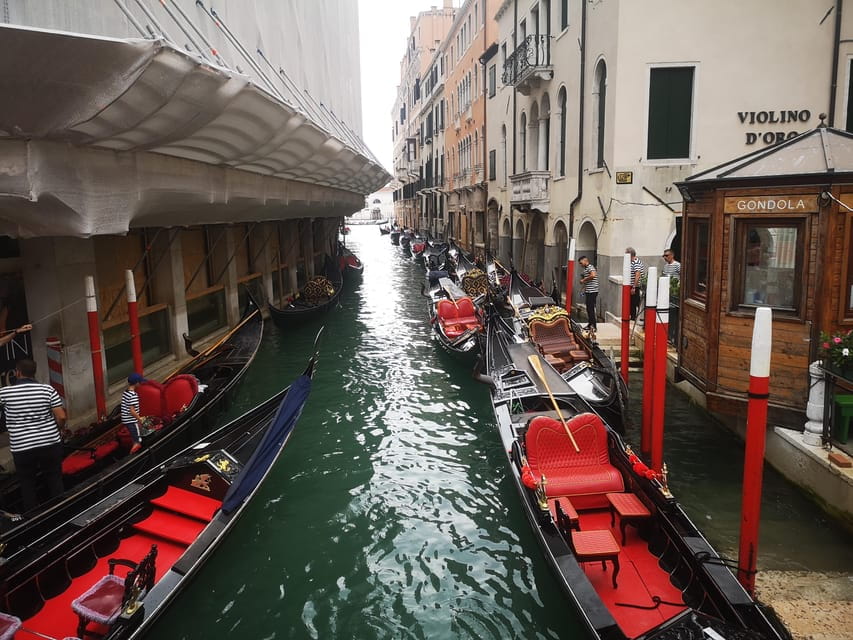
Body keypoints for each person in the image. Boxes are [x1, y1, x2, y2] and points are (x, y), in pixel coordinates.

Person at [0, 358, 66, 511]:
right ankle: (61, 510)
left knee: (27, 483)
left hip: (22, 447)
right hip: (49, 442)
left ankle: (33, 515)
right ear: (34, 373)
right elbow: (61, 417)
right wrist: (57, 429)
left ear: (17, 373)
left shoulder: (4, 393)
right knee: (54, 478)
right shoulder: (47, 390)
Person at [122, 373, 145, 454]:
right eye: (140, 382)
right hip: (131, 420)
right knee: (137, 440)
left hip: (126, 419)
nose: (141, 384)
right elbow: (132, 411)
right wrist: (140, 419)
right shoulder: (133, 395)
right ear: (137, 383)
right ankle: (135, 452)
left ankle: (135, 445)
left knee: (134, 435)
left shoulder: (126, 392)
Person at [662, 249, 681, 344]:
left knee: (673, 313)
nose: (665, 257)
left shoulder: (678, 265)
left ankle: (672, 337)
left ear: (672, 255)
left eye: (666, 255)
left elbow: (682, 276)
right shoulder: (665, 266)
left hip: (674, 292)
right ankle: (668, 335)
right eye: (664, 256)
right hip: (667, 292)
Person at [578, 255, 599, 331]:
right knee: (589, 308)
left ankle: (593, 326)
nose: (580, 265)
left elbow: (593, 275)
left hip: (592, 291)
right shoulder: (586, 268)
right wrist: (584, 289)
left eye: (581, 263)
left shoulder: (590, 267)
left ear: (585, 260)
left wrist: (584, 280)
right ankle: (590, 324)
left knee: (590, 308)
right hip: (589, 291)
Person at [625, 248, 646, 321]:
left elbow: (637, 275)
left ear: (630, 255)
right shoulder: (632, 262)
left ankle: (634, 318)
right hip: (632, 285)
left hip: (635, 286)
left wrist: (634, 287)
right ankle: (632, 317)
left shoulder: (636, 262)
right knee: (631, 303)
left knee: (634, 303)